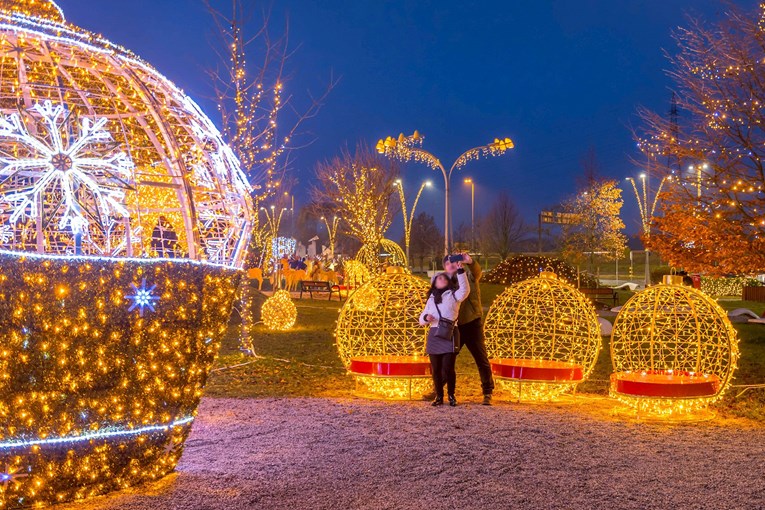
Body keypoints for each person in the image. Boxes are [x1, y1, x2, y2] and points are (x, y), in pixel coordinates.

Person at [443, 253, 495, 405]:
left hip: (472, 323)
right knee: (448, 358)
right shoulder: (445, 283)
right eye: (448, 263)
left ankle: (487, 392)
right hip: (455, 325)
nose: (452, 265)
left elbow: (478, 272)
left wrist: (470, 261)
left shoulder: (470, 277)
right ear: (445, 267)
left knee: (481, 358)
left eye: (454, 262)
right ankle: (438, 387)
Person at [419, 268, 469, 407]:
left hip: (449, 333)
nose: (442, 279)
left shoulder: (454, 295)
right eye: (439, 278)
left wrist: (461, 271)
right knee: (435, 369)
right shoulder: (431, 299)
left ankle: (451, 396)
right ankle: (439, 396)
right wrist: (426, 317)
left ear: (448, 283)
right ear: (434, 282)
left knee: (448, 368)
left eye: (445, 278)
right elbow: (421, 320)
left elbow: (465, 290)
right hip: (434, 334)